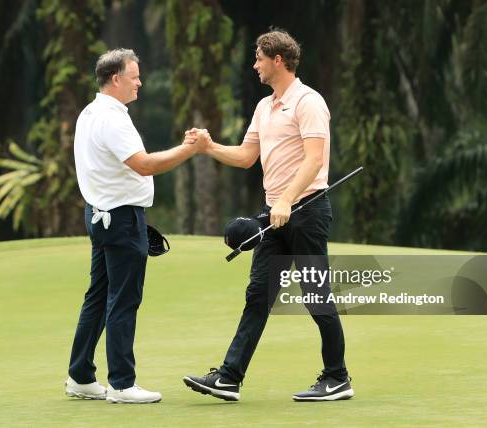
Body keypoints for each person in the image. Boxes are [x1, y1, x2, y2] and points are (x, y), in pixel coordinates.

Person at [182, 30, 354, 402]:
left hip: (307, 212)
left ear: (278, 60)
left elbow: (314, 159)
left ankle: (338, 377)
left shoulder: (309, 102)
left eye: (259, 58)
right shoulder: (265, 107)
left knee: (315, 294)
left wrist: (287, 200)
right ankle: (229, 377)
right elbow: (246, 157)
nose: (254, 64)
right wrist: (208, 147)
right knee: (258, 295)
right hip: (275, 215)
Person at [65, 48, 208, 404]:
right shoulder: (113, 118)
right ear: (116, 79)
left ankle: (81, 376)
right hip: (121, 219)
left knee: (98, 297)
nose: (139, 82)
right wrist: (189, 149)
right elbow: (143, 165)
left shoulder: (90, 111)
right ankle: (122, 384)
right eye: (134, 76)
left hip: (99, 214)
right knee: (123, 300)